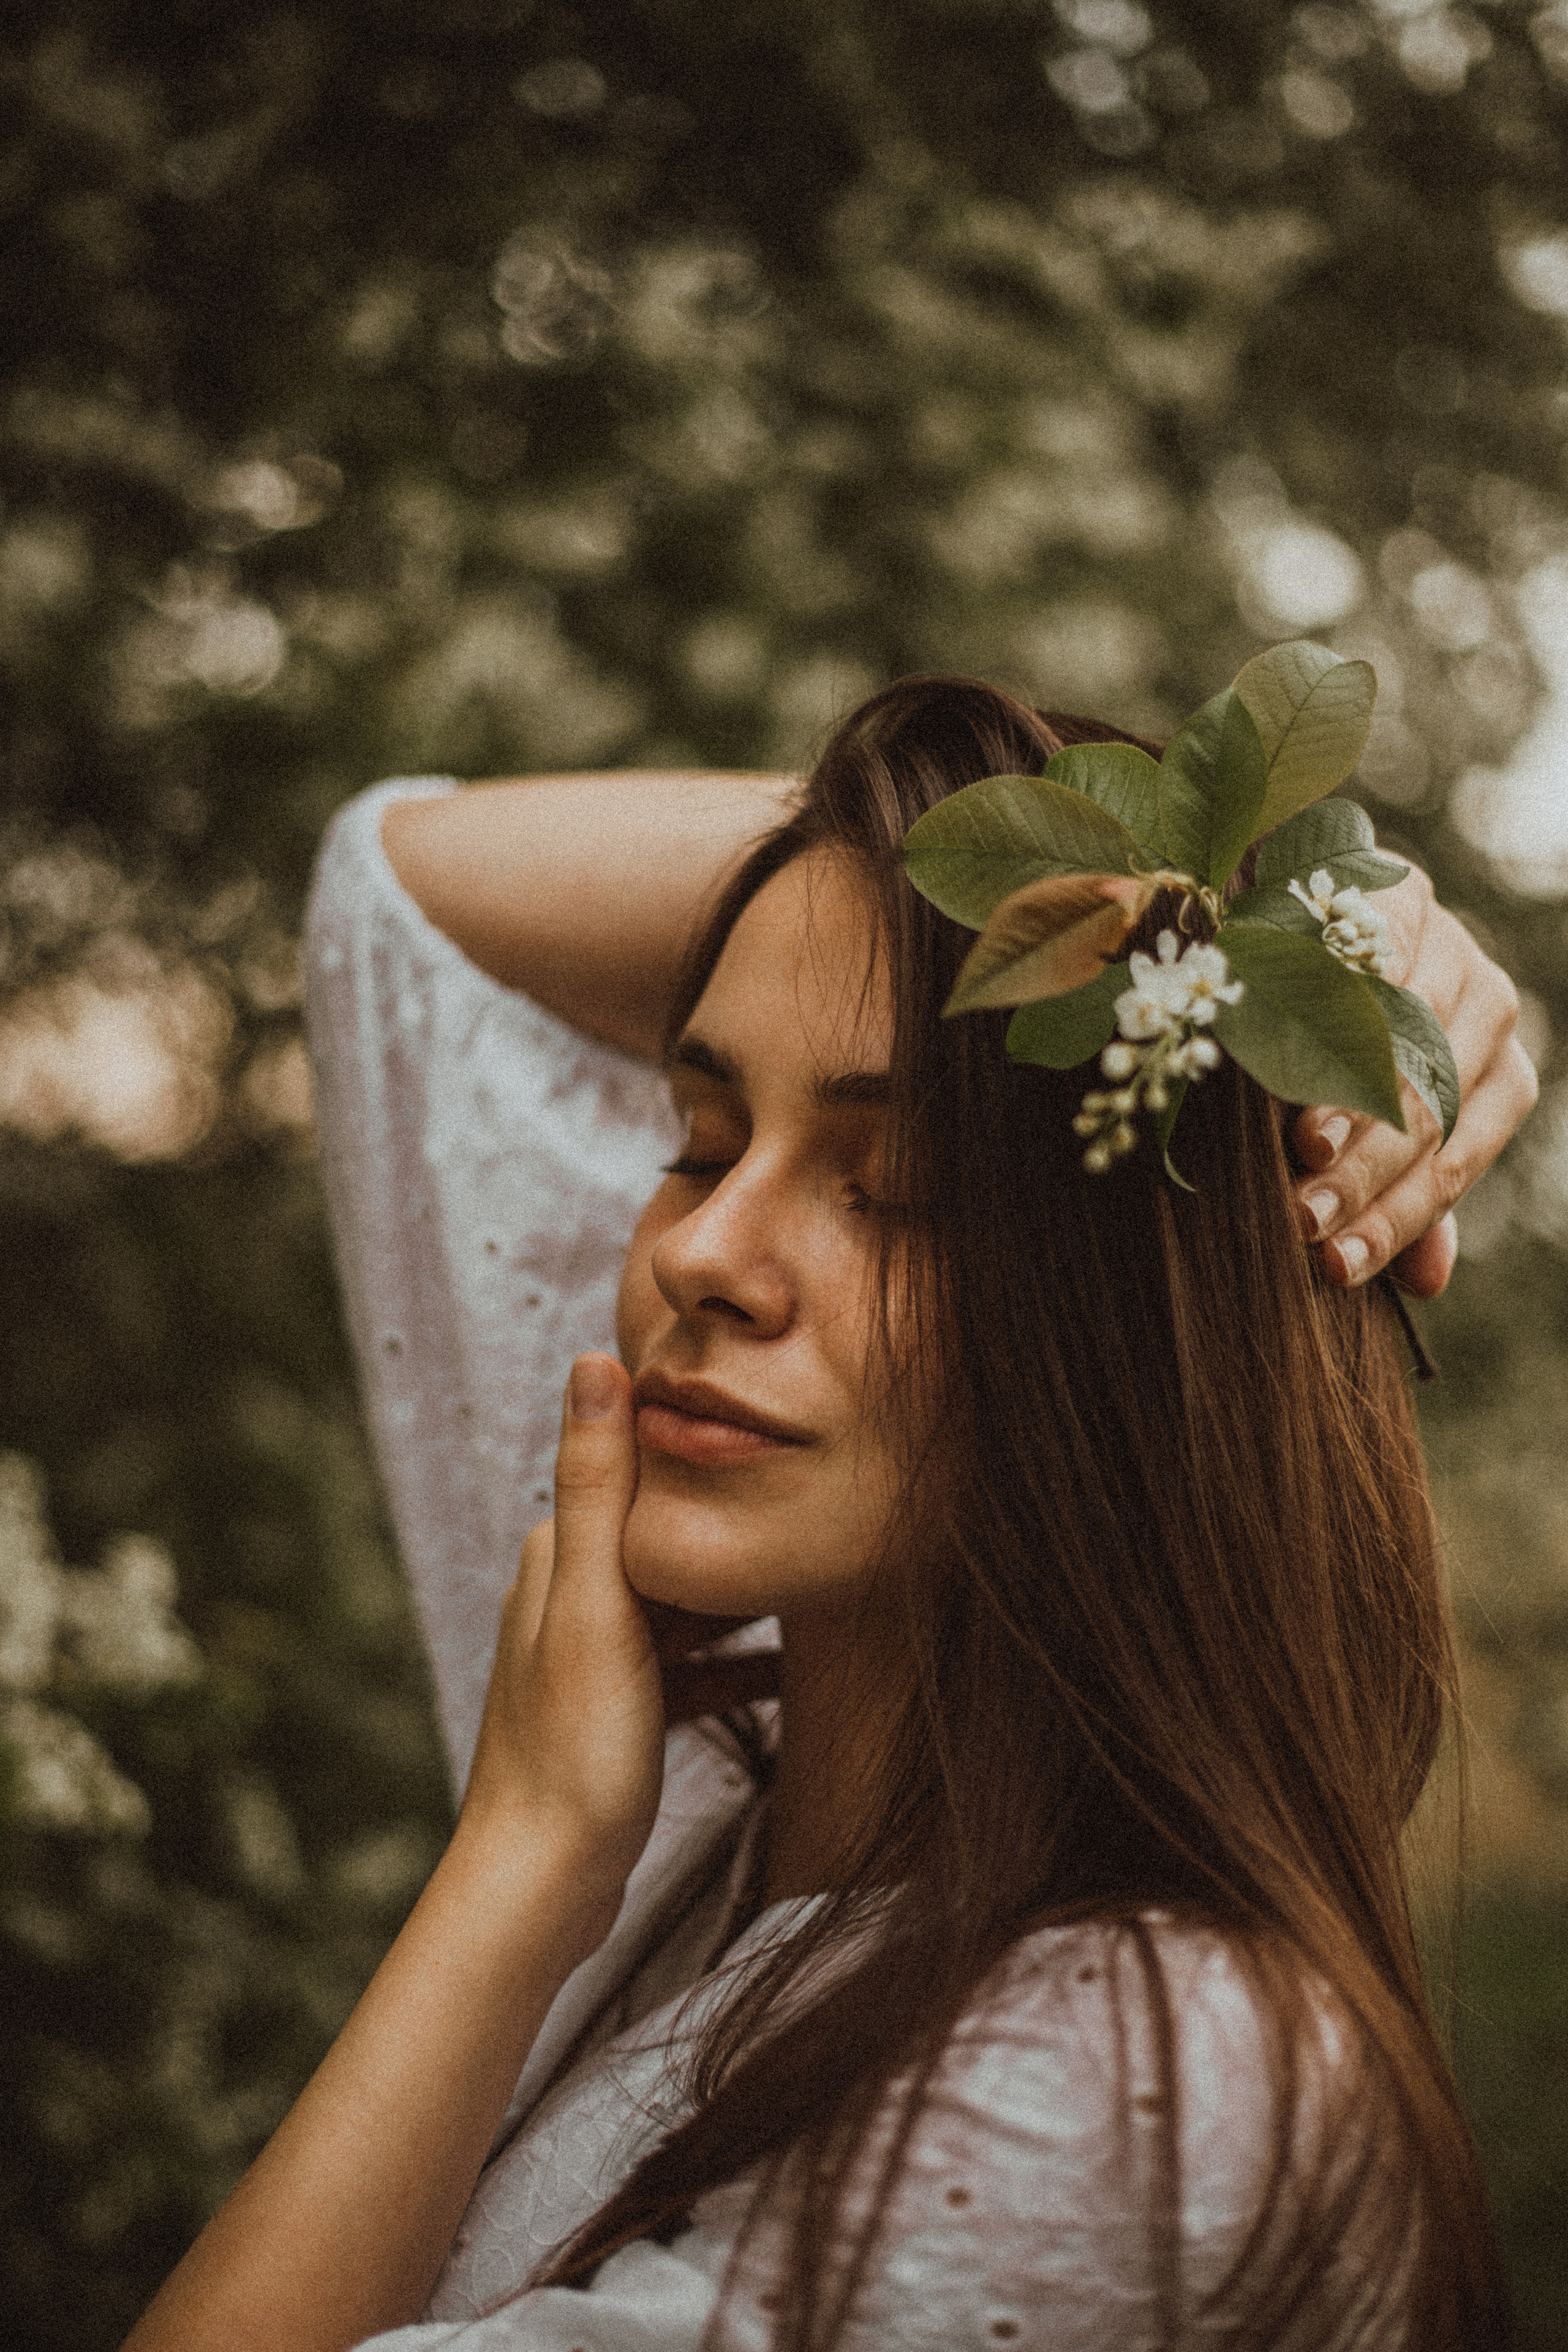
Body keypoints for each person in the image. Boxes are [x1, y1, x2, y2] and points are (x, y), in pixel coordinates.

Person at [124, 678, 1536, 2352]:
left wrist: (520, 1863)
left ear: (1153, 1343)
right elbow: (404, 896)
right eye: (701, 1138)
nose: (706, 1252)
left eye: (900, 1196)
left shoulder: (1123, 2084)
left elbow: (405, 905)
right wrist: (1174, 902)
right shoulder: (705, 1767)